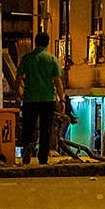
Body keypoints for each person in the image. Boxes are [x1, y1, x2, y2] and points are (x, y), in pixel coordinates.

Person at [18, 34, 66, 165]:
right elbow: (57, 81)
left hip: (30, 98)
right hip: (47, 99)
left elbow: (18, 78)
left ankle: (27, 147)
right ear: (48, 43)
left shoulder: (27, 59)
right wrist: (62, 100)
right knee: (46, 129)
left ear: (35, 42)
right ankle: (43, 157)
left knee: (29, 127)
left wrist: (20, 93)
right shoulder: (51, 59)